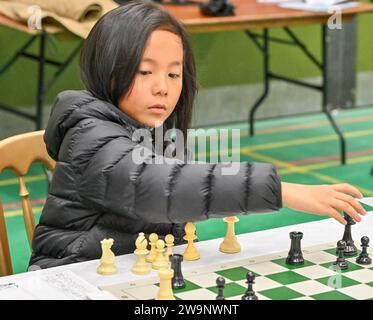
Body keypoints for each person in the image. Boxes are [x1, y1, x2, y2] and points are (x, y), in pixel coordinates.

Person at [29, 0, 366, 269]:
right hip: (68, 277)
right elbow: (160, 186)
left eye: (174, 74)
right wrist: (284, 191)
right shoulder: (90, 136)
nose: (162, 87)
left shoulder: (154, 133)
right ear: (107, 67)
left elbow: (182, 183)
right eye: (144, 71)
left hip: (134, 274)